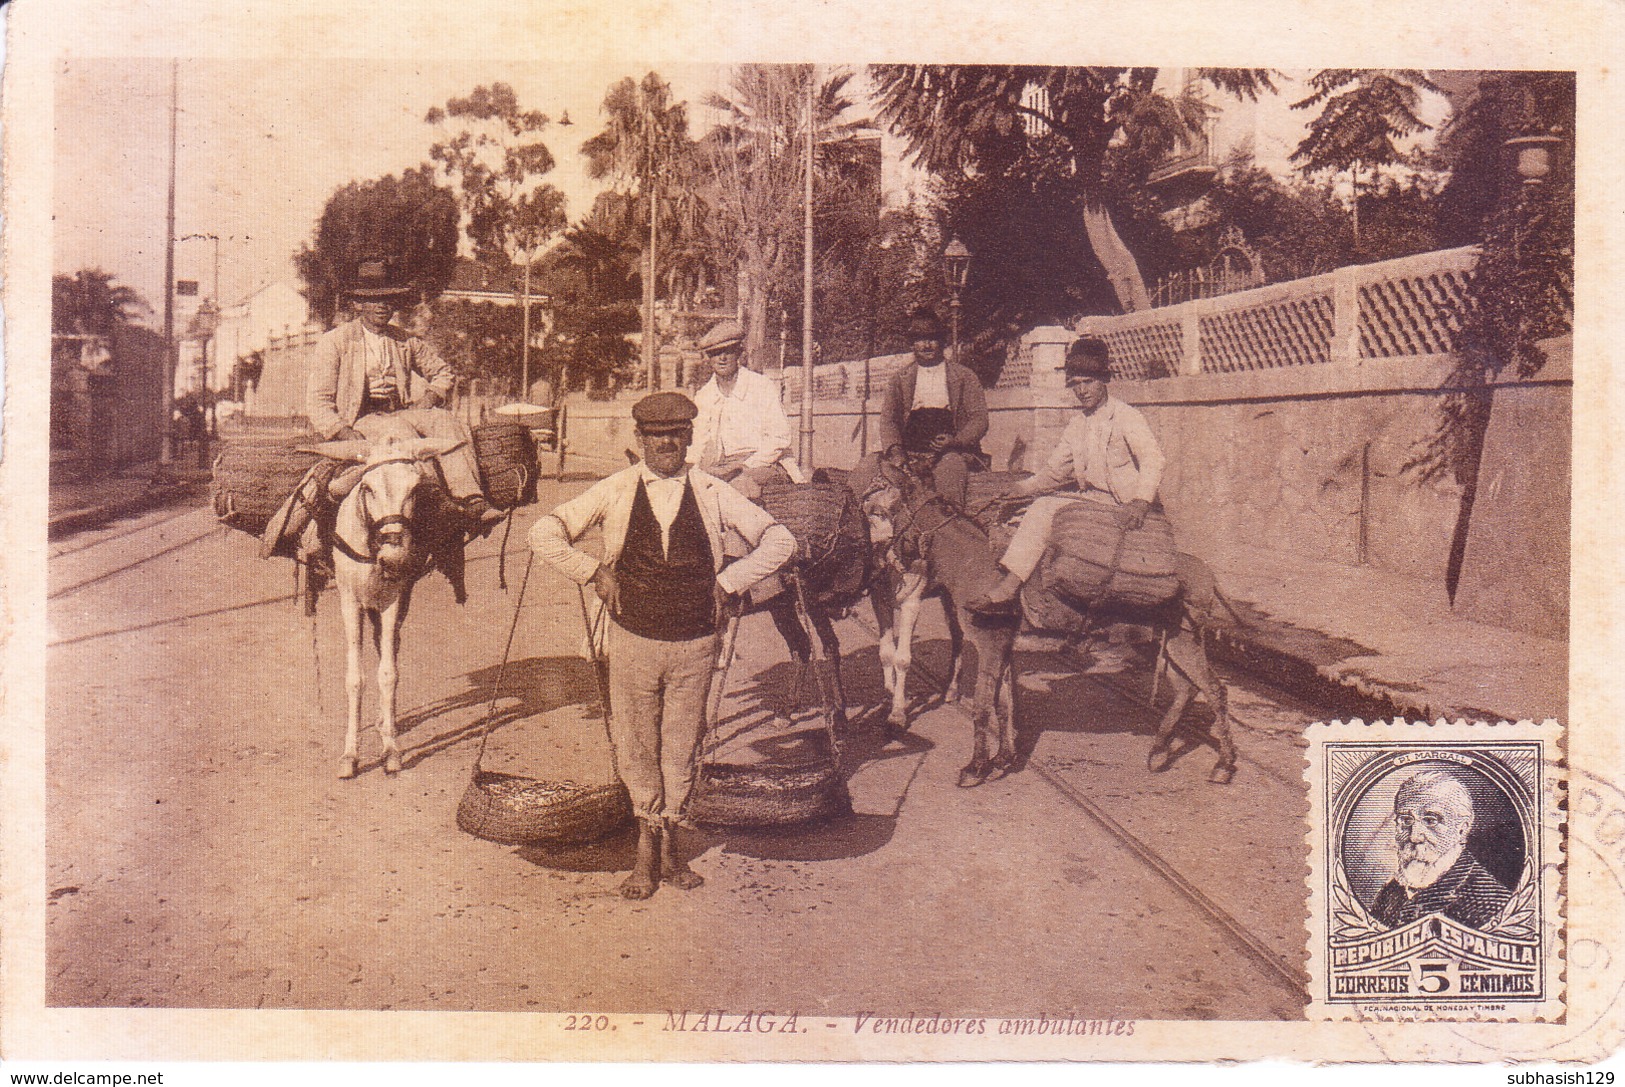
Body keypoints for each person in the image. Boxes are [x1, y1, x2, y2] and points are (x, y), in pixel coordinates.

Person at [530, 392, 796, 900]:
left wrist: (733, 580)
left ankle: (669, 845)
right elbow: (543, 533)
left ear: (691, 438)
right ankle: (644, 853)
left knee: (681, 746)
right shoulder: (615, 489)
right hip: (633, 640)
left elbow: (780, 541)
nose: (666, 443)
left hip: (697, 642)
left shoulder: (714, 490)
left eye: (675, 434)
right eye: (655, 436)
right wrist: (592, 572)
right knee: (636, 746)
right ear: (641, 440)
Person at [970, 337, 1166, 615]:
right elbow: (1054, 472)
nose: (1082, 390)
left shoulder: (1126, 417)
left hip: (1122, 505)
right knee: (1024, 510)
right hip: (1091, 501)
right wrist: (1019, 489)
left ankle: (1008, 589)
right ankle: (1037, 595)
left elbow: (1153, 459)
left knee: (1043, 509)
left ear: (1103, 380)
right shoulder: (1077, 424)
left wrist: (1141, 501)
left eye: (1088, 382)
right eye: (1075, 384)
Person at [306, 258, 503, 528]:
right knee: (401, 433)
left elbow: (443, 372)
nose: (381, 306)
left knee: (445, 420)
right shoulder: (336, 342)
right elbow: (319, 401)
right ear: (358, 304)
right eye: (372, 299)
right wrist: (342, 431)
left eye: (387, 299)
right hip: (361, 418)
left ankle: (471, 498)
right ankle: (434, 498)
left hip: (401, 410)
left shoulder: (404, 340)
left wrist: (431, 397)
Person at [870, 307, 988, 506]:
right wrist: (897, 452)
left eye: (932, 339)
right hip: (909, 453)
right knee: (870, 472)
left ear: (941, 342)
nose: (926, 345)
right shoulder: (901, 379)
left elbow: (980, 419)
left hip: (951, 453)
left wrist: (956, 441)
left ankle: (947, 527)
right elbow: (889, 420)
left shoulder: (964, 376)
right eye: (919, 339)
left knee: (950, 477)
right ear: (912, 344)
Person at [1369, 769, 1513, 930]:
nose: (1414, 836)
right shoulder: (1390, 894)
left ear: (1462, 829)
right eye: (1405, 820)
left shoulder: (1493, 903)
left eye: (1431, 820)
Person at [690, 318, 805, 499]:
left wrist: (746, 465)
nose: (722, 358)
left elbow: (779, 438)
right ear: (709, 358)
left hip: (766, 464)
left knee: (736, 488)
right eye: (715, 353)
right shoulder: (704, 396)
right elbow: (698, 443)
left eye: (728, 351)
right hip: (725, 467)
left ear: (739, 354)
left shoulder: (760, 386)